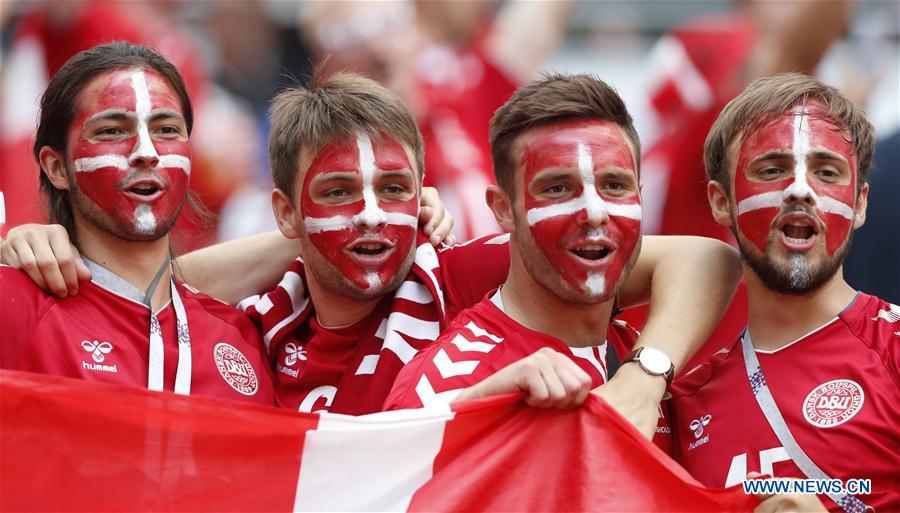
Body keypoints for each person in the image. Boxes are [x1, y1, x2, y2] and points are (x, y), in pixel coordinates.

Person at [4, 72, 740, 427]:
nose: (372, 217)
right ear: (286, 213)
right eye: (336, 195)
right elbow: (160, 293)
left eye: (395, 187)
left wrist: (646, 374)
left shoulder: (453, 271)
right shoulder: (255, 330)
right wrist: (41, 242)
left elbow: (704, 258)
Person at [384, 74, 739, 445]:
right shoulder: (455, 385)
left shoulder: (642, 352)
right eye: (558, 188)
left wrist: (644, 376)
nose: (594, 212)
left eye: (615, 185)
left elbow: (713, 257)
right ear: (503, 210)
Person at [668, 74, 899, 512]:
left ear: (860, 204)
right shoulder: (682, 403)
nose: (799, 190)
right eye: (771, 170)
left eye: (826, 171)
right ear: (721, 202)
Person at [0, 42, 275, 405]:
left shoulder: (246, 337)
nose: (147, 151)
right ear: (56, 167)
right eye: (112, 130)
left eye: (166, 130)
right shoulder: (14, 308)